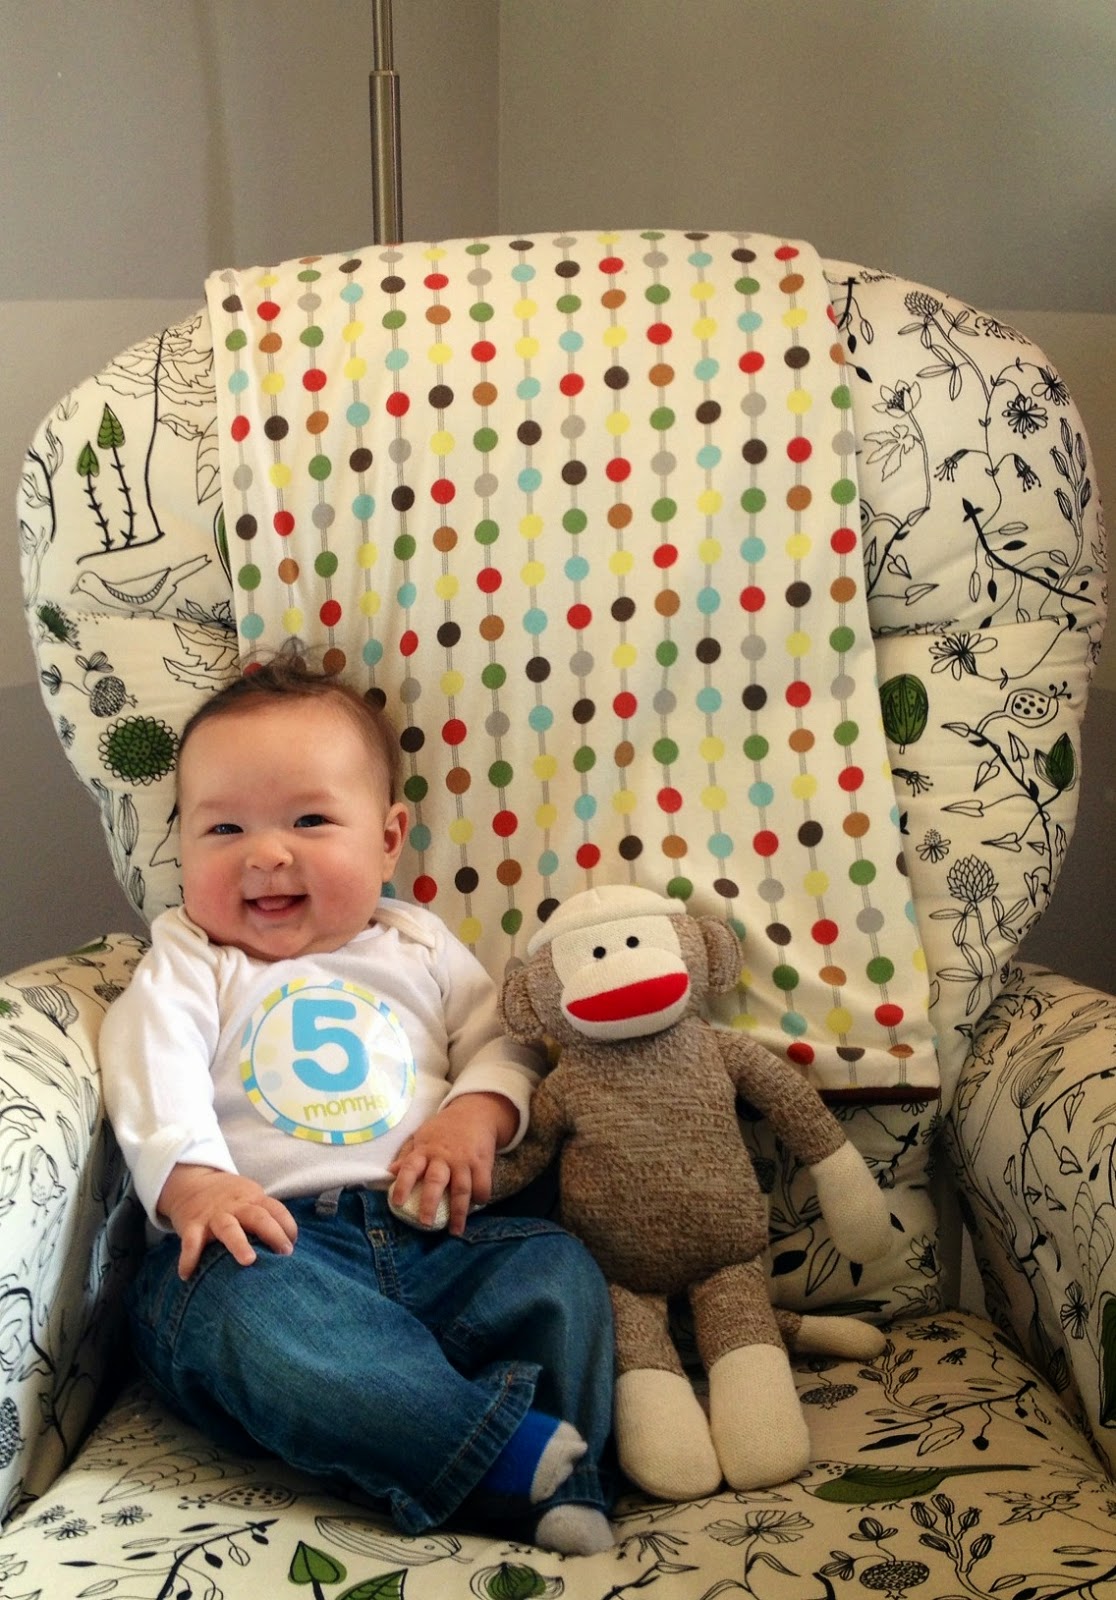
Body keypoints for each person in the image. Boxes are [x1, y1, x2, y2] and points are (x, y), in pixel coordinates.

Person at [100, 659, 615, 1555]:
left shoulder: (417, 943)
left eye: (309, 820)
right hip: (270, 1248)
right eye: (224, 828)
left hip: (441, 1240)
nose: (267, 853)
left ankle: (526, 1464)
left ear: (388, 839)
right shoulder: (192, 959)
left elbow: (507, 1044)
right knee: (242, 1314)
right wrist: (196, 1184)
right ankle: (505, 1461)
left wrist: (473, 1114)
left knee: (557, 1269)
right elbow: (149, 1065)